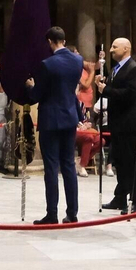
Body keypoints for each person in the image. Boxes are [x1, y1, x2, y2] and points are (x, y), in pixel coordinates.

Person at [28, 26, 84, 224]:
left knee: (51, 167)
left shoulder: (48, 64)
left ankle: (52, 214)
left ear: (50, 42)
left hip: (51, 119)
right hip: (69, 116)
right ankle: (72, 213)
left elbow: (38, 95)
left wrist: (30, 87)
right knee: (68, 164)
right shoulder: (78, 60)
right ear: (64, 40)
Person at [102, 38, 136, 212]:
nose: (111, 50)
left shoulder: (133, 68)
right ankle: (120, 197)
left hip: (127, 122)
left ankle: (135, 200)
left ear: (126, 49)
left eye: (114, 47)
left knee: (130, 161)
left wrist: (106, 90)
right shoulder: (116, 68)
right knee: (119, 160)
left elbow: (130, 94)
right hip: (117, 122)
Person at [74, 61, 102, 176]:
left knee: (101, 139)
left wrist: (87, 124)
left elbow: (85, 118)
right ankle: (82, 165)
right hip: (72, 130)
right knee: (89, 137)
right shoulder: (69, 102)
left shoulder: (82, 104)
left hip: (83, 129)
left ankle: (80, 162)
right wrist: (78, 125)